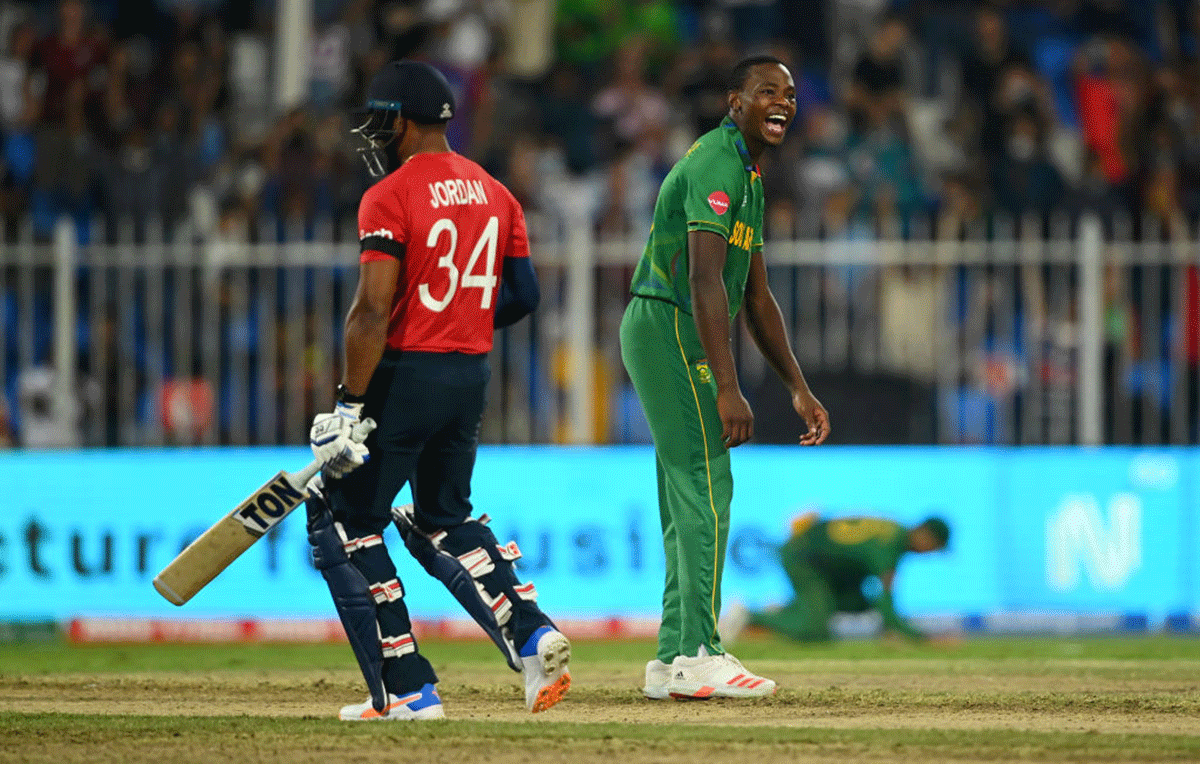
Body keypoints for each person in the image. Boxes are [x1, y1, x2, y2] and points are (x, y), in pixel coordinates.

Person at [304, 60, 569, 722]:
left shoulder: (389, 196)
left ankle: (407, 685)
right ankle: (531, 630)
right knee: (443, 517)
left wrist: (348, 407)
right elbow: (526, 295)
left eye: (380, 123)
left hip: (404, 373)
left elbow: (369, 311)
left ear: (405, 120)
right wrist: (464, 322)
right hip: (468, 374)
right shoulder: (496, 191)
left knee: (344, 520)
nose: (374, 137)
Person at [619, 55, 831, 701]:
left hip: (674, 328)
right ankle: (698, 652)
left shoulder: (748, 177)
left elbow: (757, 298)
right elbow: (705, 280)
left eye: (791, 94)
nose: (783, 102)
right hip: (670, 325)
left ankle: (672, 657)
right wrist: (727, 386)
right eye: (768, 91)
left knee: (688, 493)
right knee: (707, 486)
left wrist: (797, 384)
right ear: (735, 100)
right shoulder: (714, 162)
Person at [722, 514, 951, 644]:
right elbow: (886, 603)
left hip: (822, 563)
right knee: (816, 632)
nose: (930, 554)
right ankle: (750, 615)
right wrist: (923, 638)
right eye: (935, 547)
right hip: (805, 558)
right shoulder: (889, 547)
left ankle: (788, 611)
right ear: (925, 535)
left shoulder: (892, 533)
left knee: (858, 603)